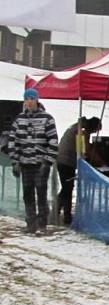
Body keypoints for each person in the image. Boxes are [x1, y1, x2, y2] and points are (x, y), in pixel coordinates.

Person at [9, 88, 58, 234]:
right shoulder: (19, 120)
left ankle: (42, 225)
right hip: (25, 163)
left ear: (37, 100)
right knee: (27, 194)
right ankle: (30, 223)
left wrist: (48, 161)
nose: (29, 101)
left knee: (41, 194)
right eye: (27, 99)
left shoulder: (47, 118)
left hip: (40, 163)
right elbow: (13, 141)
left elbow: (53, 141)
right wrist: (15, 161)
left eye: (32, 98)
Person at [56, 116, 101, 225]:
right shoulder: (82, 130)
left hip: (62, 160)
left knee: (66, 187)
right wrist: (101, 161)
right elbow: (86, 149)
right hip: (66, 161)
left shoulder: (78, 127)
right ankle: (66, 216)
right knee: (68, 188)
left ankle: (56, 210)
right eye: (97, 130)